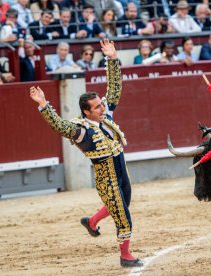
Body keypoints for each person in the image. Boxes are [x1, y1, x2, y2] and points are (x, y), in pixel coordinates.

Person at [29, 39, 144, 268]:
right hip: (106, 178)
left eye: (102, 104)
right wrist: (43, 105)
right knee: (123, 216)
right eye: (98, 107)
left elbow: (114, 88)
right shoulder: (81, 130)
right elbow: (59, 126)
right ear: (86, 111)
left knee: (123, 205)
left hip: (122, 172)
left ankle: (91, 222)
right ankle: (126, 255)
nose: (103, 107)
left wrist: (112, 59)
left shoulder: (105, 115)